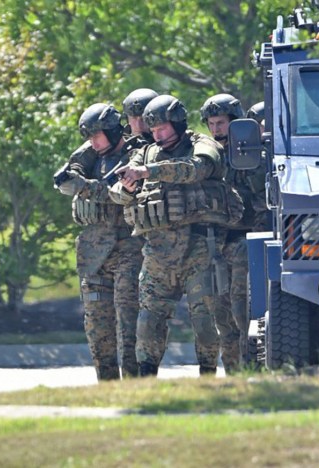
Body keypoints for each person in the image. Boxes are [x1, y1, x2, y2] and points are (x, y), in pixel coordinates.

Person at [109, 94, 243, 377]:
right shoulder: (144, 153)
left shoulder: (201, 145)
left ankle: (207, 375)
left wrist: (148, 171)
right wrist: (129, 187)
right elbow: (118, 192)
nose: (156, 135)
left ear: (178, 124)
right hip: (157, 253)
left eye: (162, 129)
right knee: (148, 321)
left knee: (205, 320)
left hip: (200, 249)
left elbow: (199, 168)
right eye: (153, 130)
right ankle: (147, 378)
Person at [54, 103, 144, 380]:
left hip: (128, 248)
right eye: (89, 136)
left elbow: (121, 193)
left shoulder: (135, 156)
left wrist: (83, 187)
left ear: (112, 130)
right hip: (93, 255)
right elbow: (70, 172)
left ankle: (134, 385)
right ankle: (106, 384)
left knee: (129, 323)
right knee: (97, 325)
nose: (92, 141)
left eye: (96, 135)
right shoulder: (91, 156)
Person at [200, 95, 269, 372]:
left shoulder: (255, 156)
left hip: (246, 242)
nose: (216, 130)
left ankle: (252, 372)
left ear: (236, 123)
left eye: (221, 123)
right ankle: (233, 375)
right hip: (216, 246)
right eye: (212, 124)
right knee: (222, 317)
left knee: (244, 314)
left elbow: (262, 197)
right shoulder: (207, 156)